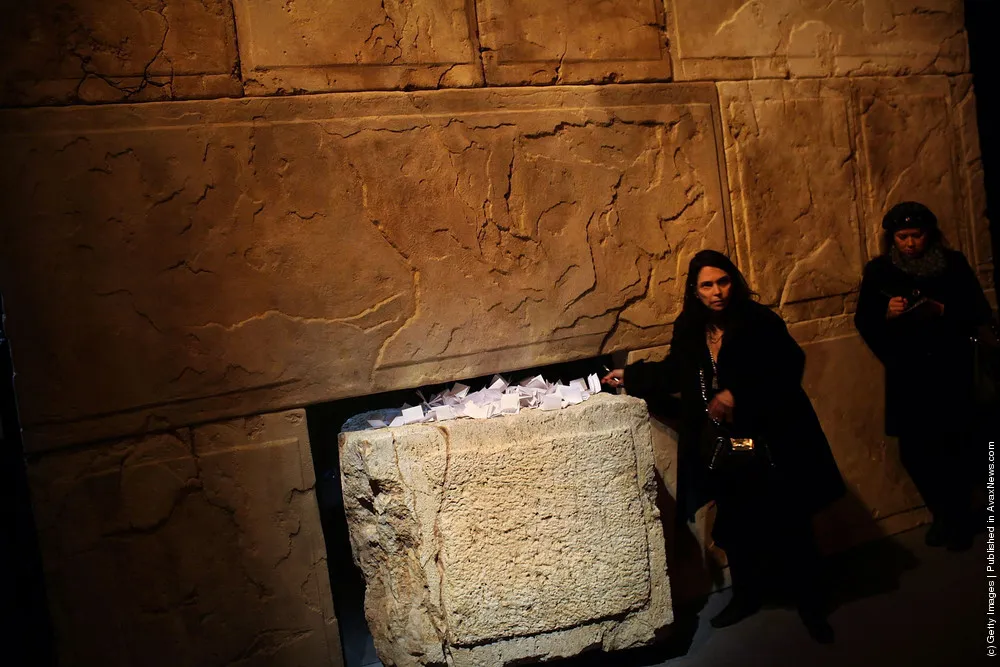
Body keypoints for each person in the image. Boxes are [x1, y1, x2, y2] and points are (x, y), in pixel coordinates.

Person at [602, 249, 845, 643]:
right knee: (738, 522)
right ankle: (747, 596)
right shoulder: (691, 328)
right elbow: (675, 371)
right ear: (695, 291)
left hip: (772, 438)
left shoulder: (758, 321)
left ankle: (812, 605)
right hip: (727, 445)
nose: (718, 291)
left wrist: (739, 394)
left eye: (724, 281)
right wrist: (630, 375)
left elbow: (788, 369)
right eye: (707, 285)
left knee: (791, 524)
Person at [855, 201, 994, 551]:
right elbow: (864, 319)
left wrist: (941, 310)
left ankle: (957, 519)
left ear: (928, 235)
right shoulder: (881, 272)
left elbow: (978, 311)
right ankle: (943, 514)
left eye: (916, 235)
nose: (910, 243)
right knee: (916, 452)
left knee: (959, 447)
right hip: (910, 376)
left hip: (953, 373)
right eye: (902, 237)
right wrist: (887, 313)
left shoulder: (953, 265)